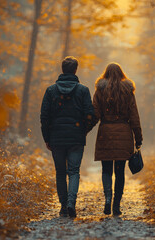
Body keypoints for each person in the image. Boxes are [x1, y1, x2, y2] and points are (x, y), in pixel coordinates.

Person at [40, 56, 95, 218]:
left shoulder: (51, 91)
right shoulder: (83, 90)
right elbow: (90, 114)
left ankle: (63, 206)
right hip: (76, 137)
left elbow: (44, 117)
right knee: (74, 171)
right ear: (75, 70)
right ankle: (71, 202)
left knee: (60, 172)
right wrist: (84, 130)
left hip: (56, 138)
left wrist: (47, 138)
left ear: (62, 69)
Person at [92, 63, 143, 216]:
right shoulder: (128, 91)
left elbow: (95, 114)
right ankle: (116, 206)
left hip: (105, 134)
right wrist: (138, 138)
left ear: (105, 74)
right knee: (119, 172)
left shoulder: (99, 91)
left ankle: (107, 198)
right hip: (124, 133)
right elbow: (134, 117)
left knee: (106, 170)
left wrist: (83, 130)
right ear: (121, 73)